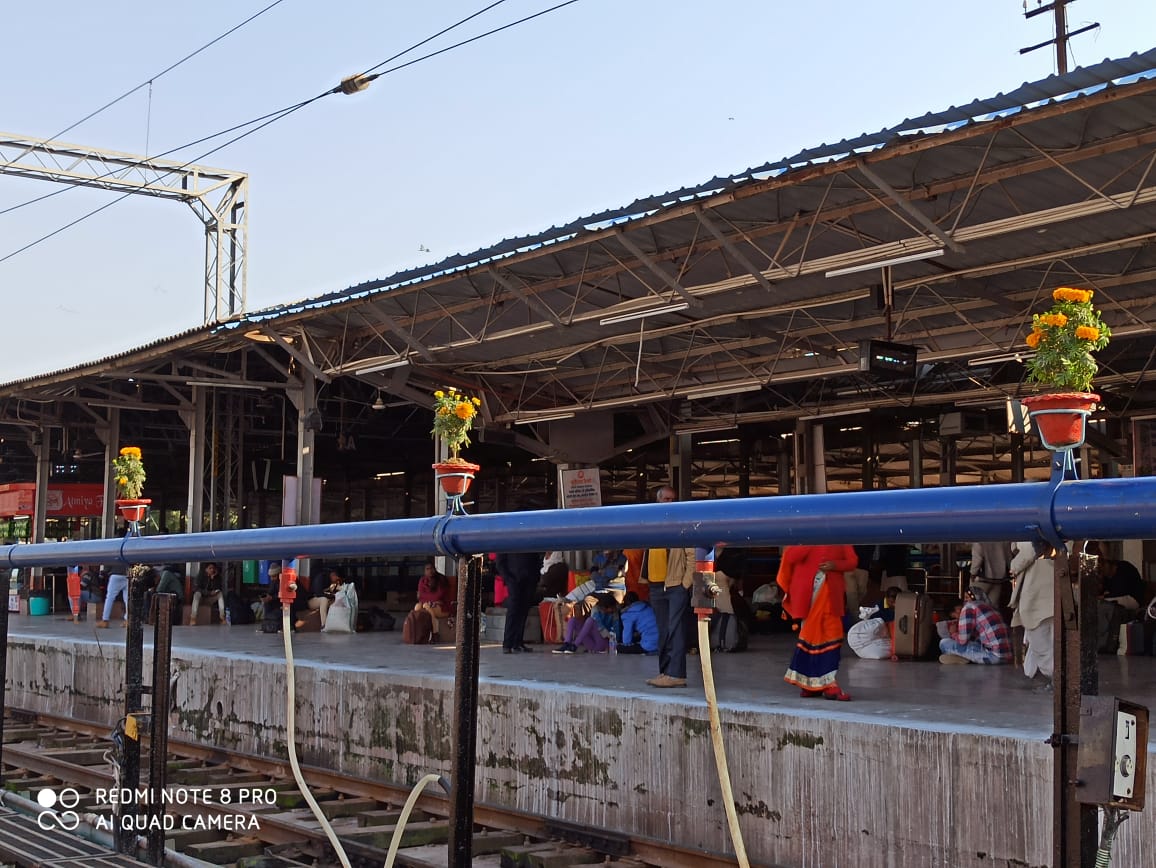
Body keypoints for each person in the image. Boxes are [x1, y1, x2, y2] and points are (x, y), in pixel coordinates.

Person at [778, 544, 858, 699]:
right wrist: (809, 542)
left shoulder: (840, 538)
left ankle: (819, 684)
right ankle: (824, 685)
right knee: (811, 637)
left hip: (831, 597)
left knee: (832, 639)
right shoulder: (804, 535)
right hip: (808, 597)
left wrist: (834, 565)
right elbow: (790, 556)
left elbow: (852, 561)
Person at [643, 485, 697, 689]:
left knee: (675, 630)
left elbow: (692, 556)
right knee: (663, 631)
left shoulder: (682, 524)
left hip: (674, 585)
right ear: (658, 500)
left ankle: (676, 674)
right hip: (656, 586)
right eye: (666, 499)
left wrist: (684, 585)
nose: (669, 503)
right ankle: (665, 672)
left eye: (672, 499)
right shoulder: (652, 524)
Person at [1008, 539, 1056, 691]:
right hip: (1050, 595)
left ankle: (1056, 678)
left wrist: (1013, 566)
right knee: (1051, 642)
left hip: (1038, 598)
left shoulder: (1028, 534)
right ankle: (1055, 678)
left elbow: (1030, 551)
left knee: (1042, 645)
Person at [938, 585, 1012, 665]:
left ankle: (962, 657)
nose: (957, 619)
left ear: (957, 610)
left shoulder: (967, 608)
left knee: (944, 643)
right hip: (1007, 656)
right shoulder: (988, 607)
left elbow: (962, 641)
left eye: (954, 616)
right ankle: (962, 657)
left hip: (993, 657)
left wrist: (953, 633)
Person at [495, 548, 541, 654]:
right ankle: (507, 643)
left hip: (529, 578)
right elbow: (500, 562)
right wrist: (508, 579)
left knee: (524, 611)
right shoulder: (506, 540)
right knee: (513, 610)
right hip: (514, 578)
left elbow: (535, 556)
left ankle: (518, 642)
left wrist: (536, 576)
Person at [846, 586, 900, 660]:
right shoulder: (878, 607)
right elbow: (876, 623)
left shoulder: (900, 606)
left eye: (896, 602)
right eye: (892, 602)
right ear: (886, 598)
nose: (894, 605)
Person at [553, 594, 620, 653]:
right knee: (572, 620)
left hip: (605, 643)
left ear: (610, 607)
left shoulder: (614, 614)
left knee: (590, 620)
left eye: (605, 608)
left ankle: (575, 645)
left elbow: (614, 633)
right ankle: (566, 644)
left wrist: (610, 636)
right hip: (592, 644)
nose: (603, 610)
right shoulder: (596, 609)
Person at [969, 541, 1013, 608]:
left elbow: (977, 559)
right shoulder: (1004, 538)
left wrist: (973, 573)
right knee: (993, 607)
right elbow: (1009, 557)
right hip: (998, 578)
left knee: (974, 606)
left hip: (982, 579)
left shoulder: (979, 540)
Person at [258, 562, 283, 633]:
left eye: (274, 576)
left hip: (284, 602)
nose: (272, 578)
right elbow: (271, 592)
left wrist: (272, 598)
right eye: (271, 576)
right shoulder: (273, 582)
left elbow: (283, 595)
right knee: (266, 604)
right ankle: (265, 625)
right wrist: (266, 597)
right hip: (276, 601)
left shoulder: (283, 582)